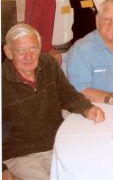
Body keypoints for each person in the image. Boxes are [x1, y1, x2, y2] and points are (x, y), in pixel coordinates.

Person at [2, 24, 104, 180]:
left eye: (33, 48)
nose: (29, 56)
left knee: (90, 171)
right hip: (20, 155)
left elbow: (67, 94)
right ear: (9, 52)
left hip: (56, 143)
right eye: (21, 51)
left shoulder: (48, 63)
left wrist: (87, 108)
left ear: (40, 47)